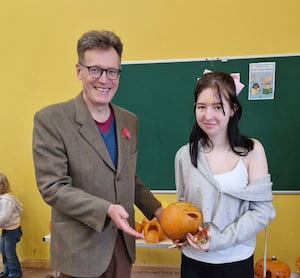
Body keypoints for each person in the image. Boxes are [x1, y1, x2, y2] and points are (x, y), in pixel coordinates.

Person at [32, 30, 162, 278]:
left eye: (112, 71)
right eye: (95, 70)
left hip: (122, 248)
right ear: (79, 71)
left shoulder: (129, 120)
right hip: (79, 251)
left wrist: (158, 211)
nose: (104, 79)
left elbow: (126, 178)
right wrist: (106, 209)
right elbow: (53, 187)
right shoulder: (51, 120)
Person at [174, 71, 275, 278]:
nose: (208, 115)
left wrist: (220, 239)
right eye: (201, 107)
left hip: (236, 261)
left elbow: (262, 211)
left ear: (232, 110)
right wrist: (179, 232)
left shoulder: (252, 151)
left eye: (217, 107)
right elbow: (183, 207)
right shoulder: (185, 155)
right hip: (194, 261)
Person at [0, 173, 23, 278]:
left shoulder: (6, 201)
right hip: (6, 230)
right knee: (4, 251)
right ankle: (6, 268)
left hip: (12, 231)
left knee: (9, 253)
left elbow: (4, 217)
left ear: (2, 186)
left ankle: (15, 272)